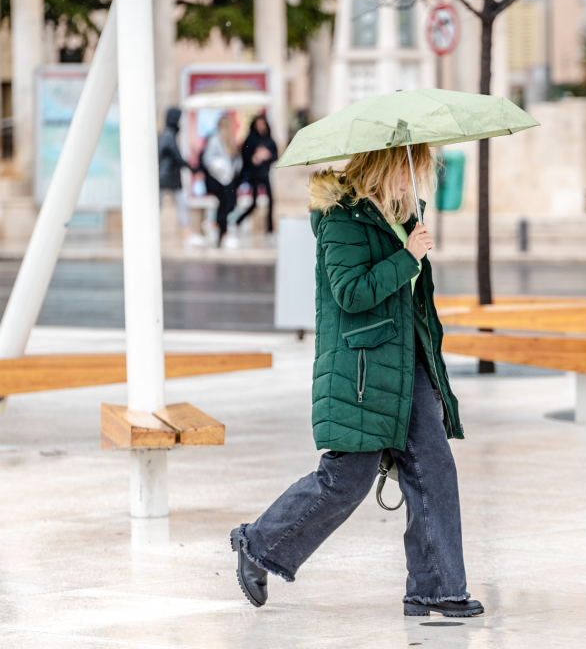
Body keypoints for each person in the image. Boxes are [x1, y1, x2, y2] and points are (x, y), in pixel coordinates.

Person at [229, 144, 483, 619]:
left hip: (410, 365)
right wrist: (407, 258)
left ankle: (437, 588)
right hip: (361, 370)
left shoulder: (403, 217)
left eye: (419, 175)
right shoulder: (342, 220)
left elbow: (410, 303)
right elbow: (350, 293)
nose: (413, 184)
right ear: (383, 170)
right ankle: (258, 544)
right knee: (345, 480)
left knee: (435, 471)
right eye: (408, 175)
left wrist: (412, 254)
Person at [198, 114, 242, 247]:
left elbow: (236, 160)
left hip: (228, 179)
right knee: (225, 203)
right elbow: (208, 160)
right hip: (216, 180)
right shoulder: (214, 140)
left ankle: (223, 231)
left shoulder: (230, 141)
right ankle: (222, 233)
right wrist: (221, 167)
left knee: (230, 202)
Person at [157, 107, 193, 246]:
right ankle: (187, 234)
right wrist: (191, 167)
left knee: (177, 204)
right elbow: (175, 155)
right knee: (166, 204)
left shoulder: (167, 133)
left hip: (168, 176)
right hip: (167, 176)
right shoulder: (168, 134)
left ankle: (187, 233)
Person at [236, 115, 277, 235]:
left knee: (271, 202)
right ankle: (238, 221)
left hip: (265, 174)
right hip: (253, 175)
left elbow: (275, 155)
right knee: (253, 203)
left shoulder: (269, 140)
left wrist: (267, 156)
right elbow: (245, 155)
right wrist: (254, 158)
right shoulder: (250, 139)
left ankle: (269, 230)